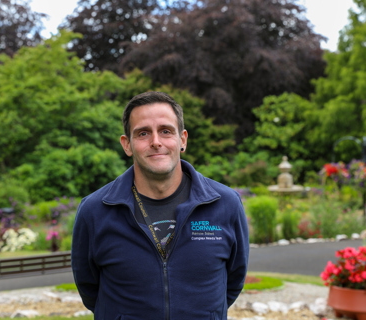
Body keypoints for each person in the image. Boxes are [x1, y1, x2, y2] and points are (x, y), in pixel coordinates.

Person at [71, 91, 249, 320]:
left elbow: (233, 281)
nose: (156, 142)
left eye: (166, 131)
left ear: (182, 140)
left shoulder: (225, 204)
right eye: (143, 133)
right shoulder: (95, 210)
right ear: (127, 145)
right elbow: (89, 289)